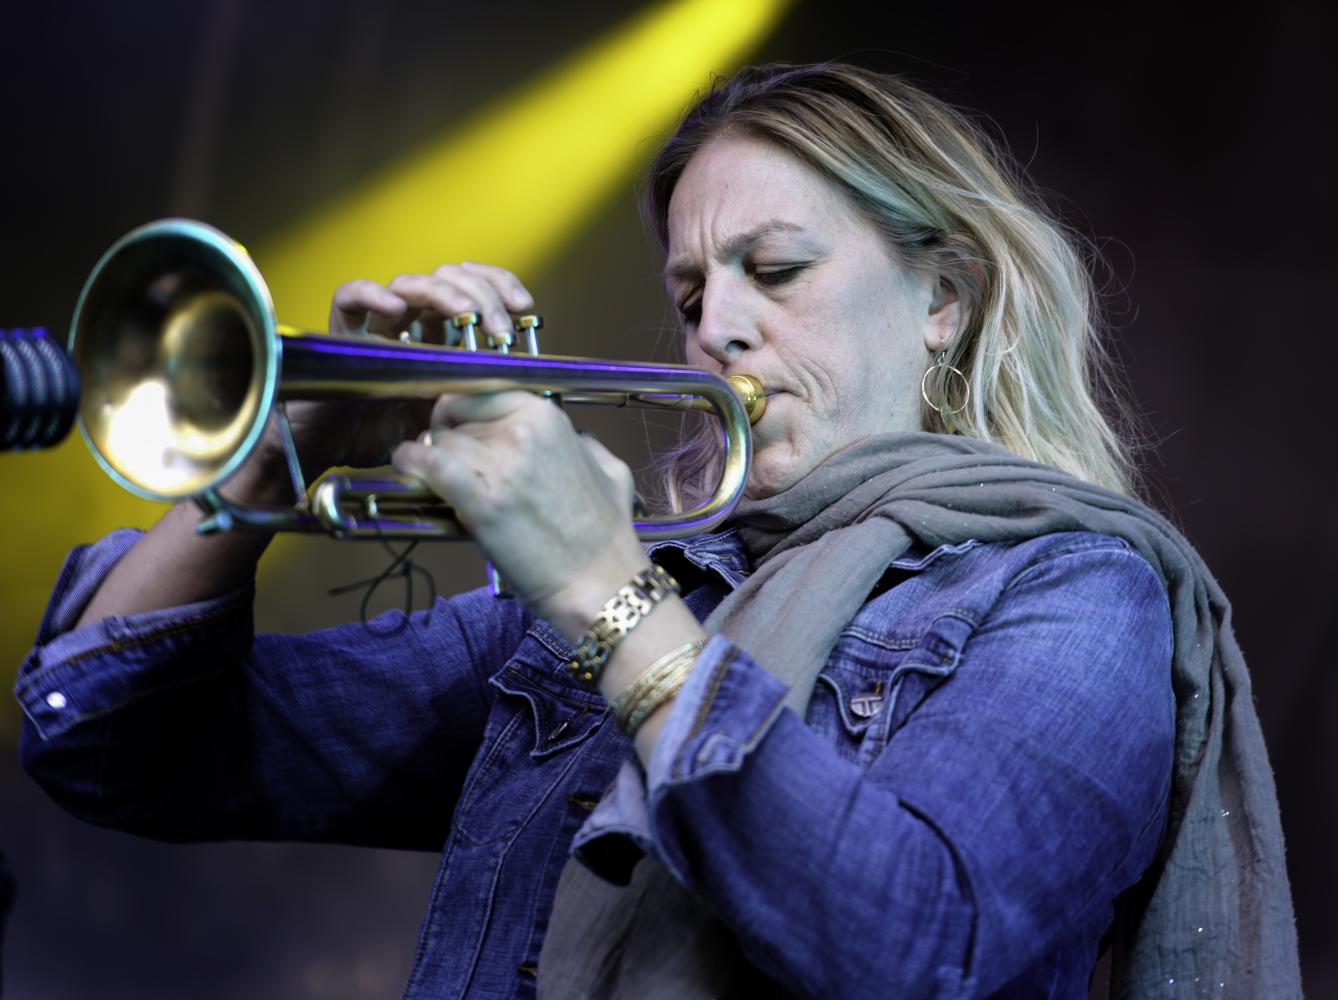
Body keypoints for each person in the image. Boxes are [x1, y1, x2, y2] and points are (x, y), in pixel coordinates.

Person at [15, 63, 1298, 998]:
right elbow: (118, 741)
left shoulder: (1079, 591)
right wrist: (286, 450)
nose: (717, 329)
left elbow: (913, 944)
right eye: (692, 289)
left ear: (946, 299)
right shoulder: (661, 576)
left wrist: (600, 588)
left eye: (774, 270)